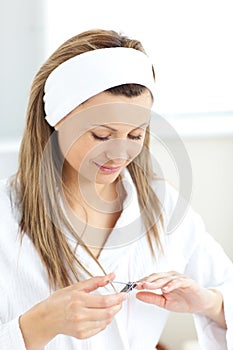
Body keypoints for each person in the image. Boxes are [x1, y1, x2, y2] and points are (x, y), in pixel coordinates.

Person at [0, 29, 232, 350]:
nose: (120, 154)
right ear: (56, 119)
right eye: (101, 135)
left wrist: (209, 302)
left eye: (136, 135)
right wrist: (37, 325)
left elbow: (226, 286)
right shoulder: (5, 216)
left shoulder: (162, 205)